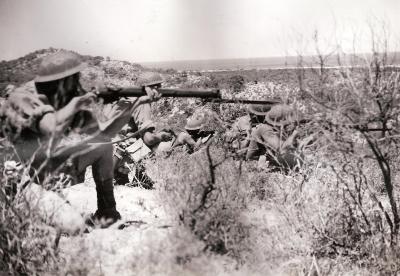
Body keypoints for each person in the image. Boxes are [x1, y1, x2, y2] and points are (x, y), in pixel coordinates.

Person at [0, 50, 160, 227]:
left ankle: (107, 211)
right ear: (60, 82)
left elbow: (104, 136)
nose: (78, 83)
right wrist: (77, 103)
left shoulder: (68, 98)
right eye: (73, 79)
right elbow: (51, 128)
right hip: (20, 178)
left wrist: (138, 103)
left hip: (49, 168)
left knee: (103, 146)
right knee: (75, 226)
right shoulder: (24, 97)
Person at [113, 72, 174, 188]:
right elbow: (149, 139)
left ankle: (123, 175)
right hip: (121, 152)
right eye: (158, 86)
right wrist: (162, 136)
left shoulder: (129, 97)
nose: (160, 89)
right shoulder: (142, 103)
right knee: (161, 144)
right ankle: (140, 176)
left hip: (112, 151)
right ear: (153, 88)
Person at [246, 103, 303, 172]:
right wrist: (295, 133)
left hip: (270, 160)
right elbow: (281, 148)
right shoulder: (264, 129)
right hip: (256, 163)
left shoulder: (274, 129)